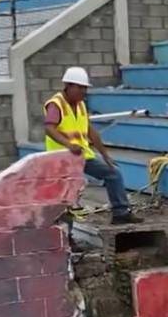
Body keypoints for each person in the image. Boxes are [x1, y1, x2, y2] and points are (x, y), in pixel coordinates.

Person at [44, 67, 141, 225]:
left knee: (113, 173)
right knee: (67, 196)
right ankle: (65, 234)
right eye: (80, 88)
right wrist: (68, 145)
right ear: (68, 86)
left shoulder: (81, 104)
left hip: (82, 156)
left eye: (85, 88)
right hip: (61, 159)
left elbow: (90, 131)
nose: (84, 92)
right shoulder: (56, 104)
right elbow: (49, 128)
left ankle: (121, 213)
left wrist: (105, 155)